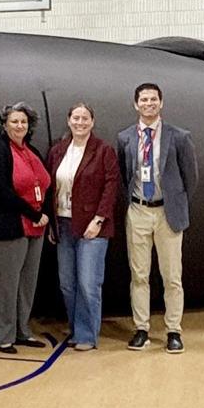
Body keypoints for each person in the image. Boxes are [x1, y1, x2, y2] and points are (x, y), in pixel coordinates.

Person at [115, 82, 197, 354]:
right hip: (138, 210)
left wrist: (174, 202)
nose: (148, 104)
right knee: (139, 274)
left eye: (153, 100)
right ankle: (142, 328)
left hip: (167, 213)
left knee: (172, 276)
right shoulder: (125, 138)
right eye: (143, 100)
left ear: (161, 103)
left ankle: (174, 330)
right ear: (135, 104)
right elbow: (124, 175)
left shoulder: (179, 136)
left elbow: (190, 178)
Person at [45, 102, 120, 351]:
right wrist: (52, 224)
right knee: (67, 283)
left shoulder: (103, 150)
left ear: (92, 122)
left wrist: (99, 220)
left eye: (85, 118)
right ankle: (77, 329)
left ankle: (87, 334)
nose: (80, 122)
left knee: (88, 283)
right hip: (63, 224)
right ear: (68, 120)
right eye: (76, 117)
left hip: (92, 227)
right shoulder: (58, 150)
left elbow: (111, 187)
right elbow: (50, 188)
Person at [0, 102, 50, 353]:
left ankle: (22, 331)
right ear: (4, 124)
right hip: (8, 228)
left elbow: (44, 184)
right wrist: (33, 213)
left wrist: (43, 215)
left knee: (27, 284)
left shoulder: (31, 151)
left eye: (23, 122)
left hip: (35, 229)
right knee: (6, 285)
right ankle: (3, 336)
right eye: (14, 121)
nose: (20, 125)